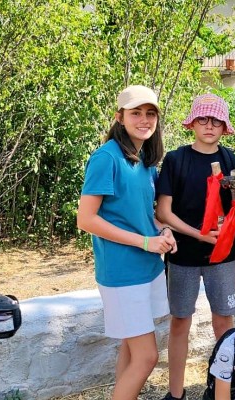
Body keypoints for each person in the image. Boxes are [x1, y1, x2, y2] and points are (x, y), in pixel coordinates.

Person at [77, 85, 177, 400]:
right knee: (147, 356)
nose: (144, 119)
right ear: (119, 117)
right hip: (122, 272)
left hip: (147, 268)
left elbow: (142, 213)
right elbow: (86, 219)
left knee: (131, 349)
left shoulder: (145, 159)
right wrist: (144, 242)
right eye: (136, 112)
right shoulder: (106, 157)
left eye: (150, 113)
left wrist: (162, 230)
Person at [156, 93, 235, 400]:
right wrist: (198, 234)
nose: (209, 126)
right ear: (192, 123)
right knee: (180, 321)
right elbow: (163, 212)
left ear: (224, 127)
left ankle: (222, 390)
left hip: (223, 255)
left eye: (216, 121)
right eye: (203, 119)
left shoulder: (232, 161)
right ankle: (175, 393)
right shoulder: (176, 160)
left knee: (224, 321)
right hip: (183, 256)